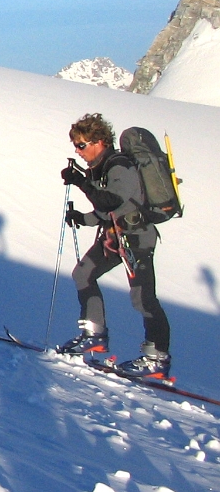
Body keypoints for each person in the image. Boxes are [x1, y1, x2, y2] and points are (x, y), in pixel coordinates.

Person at [56, 112, 171, 378]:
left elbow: (111, 201)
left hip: (136, 239)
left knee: (143, 298)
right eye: (76, 145)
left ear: (99, 141)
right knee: (83, 274)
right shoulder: (103, 167)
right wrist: (82, 218)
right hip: (116, 238)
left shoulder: (119, 165)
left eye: (82, 145)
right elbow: (106, 209)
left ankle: (157, 359)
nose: (78, 150)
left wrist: (81, 181)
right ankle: (93, 335)